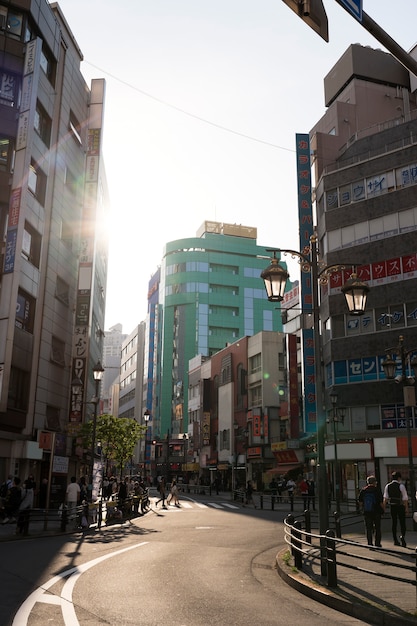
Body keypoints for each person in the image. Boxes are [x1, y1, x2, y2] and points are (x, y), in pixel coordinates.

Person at [383, 471, 409, 547]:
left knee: (394, 523)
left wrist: (384, 508)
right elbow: (405, 498)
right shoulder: (401, 486)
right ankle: (402, 536)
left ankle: (395, 540)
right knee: (402, 522)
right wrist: (406, 508)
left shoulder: (388, 486)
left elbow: (385, 498)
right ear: (399, 478)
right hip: (400, 506)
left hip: (392, 506)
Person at [358, 476, 384, 547]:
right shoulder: (377, 490)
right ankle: (377, 543)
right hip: (376, 511)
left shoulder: (363, 490)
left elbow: (360, 501)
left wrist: (363, 507)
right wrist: (383, 509)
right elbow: (381, 502)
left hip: (367, 512)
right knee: (377, 528)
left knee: (368, 528)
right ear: (374, 482)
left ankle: (370, 543)